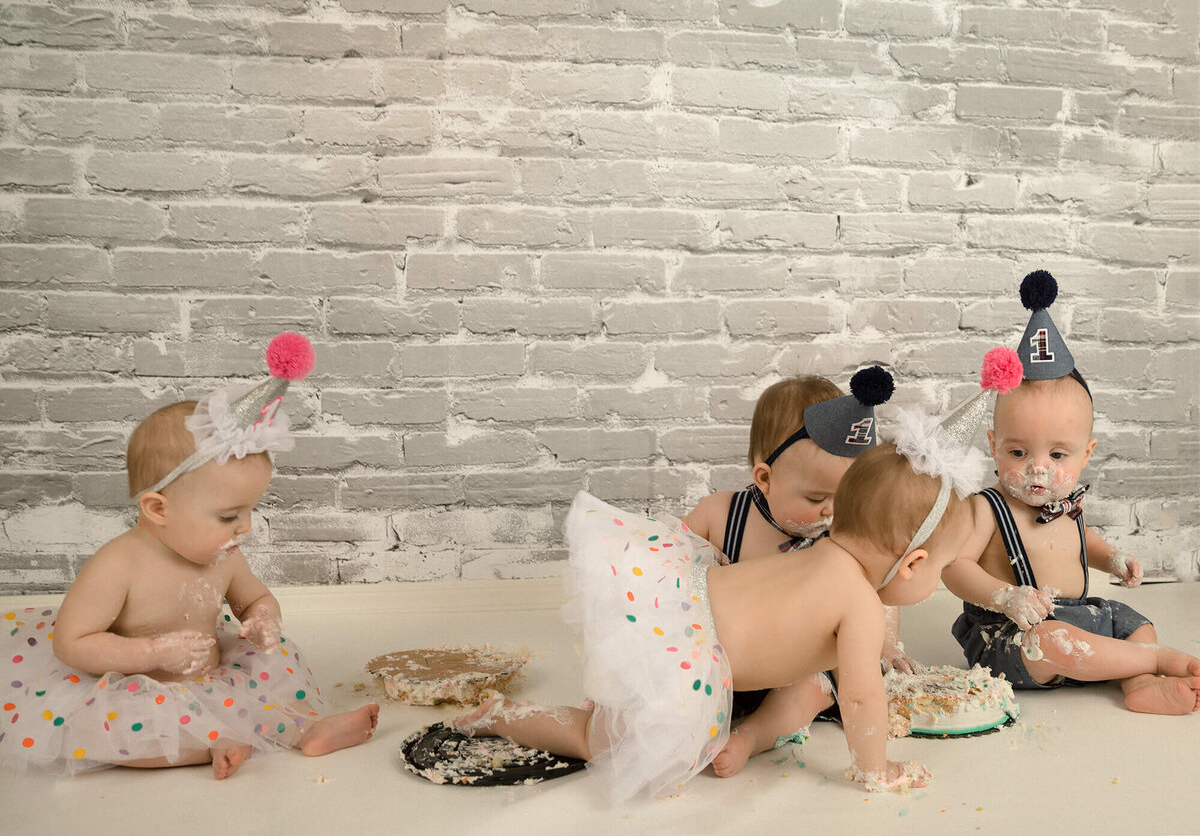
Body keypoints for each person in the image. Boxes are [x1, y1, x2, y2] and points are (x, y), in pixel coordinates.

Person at [451, 377, 994, 801]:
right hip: (691, 656)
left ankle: (554, 704)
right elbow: (859, 696)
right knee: (602, 740)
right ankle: (501, 715)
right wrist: (877, 766)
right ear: (913, 562)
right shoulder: (859, 603)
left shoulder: (824, 553)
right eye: (941, 571)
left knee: (616, 714)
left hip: (672, 597)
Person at [0, 334, 379, 778]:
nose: (245, 527)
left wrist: (262, 620)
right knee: (106, 732)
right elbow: (72, 644)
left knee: (274, 673)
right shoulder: (118, 565)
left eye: (249, 511)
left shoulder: (224, 556)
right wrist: (150, 652)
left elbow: (254, 599)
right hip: (131, 688)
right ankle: (217, 743)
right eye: (228, 516)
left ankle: (304, 730)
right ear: (158, 509)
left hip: (210, 680)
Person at [945, 271, 1200, 714]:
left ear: (1086, 454)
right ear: (993, 445)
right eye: (1019, 451)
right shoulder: (987, 508)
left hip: (1077, 615)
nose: (1038, 469)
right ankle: (1152, 662)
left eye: (1058, 455)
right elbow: (953, 567)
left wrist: (1112, 558)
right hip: (1014, 635)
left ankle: (1138, 681)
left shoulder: (1067, 505)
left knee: (1132, 622)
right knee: (1054, 641)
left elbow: (1086, 544)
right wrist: (1006, 596)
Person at [683, 366, 923, 777]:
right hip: (719, 663)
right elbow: (667, 567)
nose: (832, 512)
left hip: (792, 667)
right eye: (816, 497)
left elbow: (874, 593)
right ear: (765, 478)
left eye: (846, 498)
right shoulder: (721, 515)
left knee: (813, 689)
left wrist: (885, 646)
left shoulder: (843, 540)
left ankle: (751, 737)